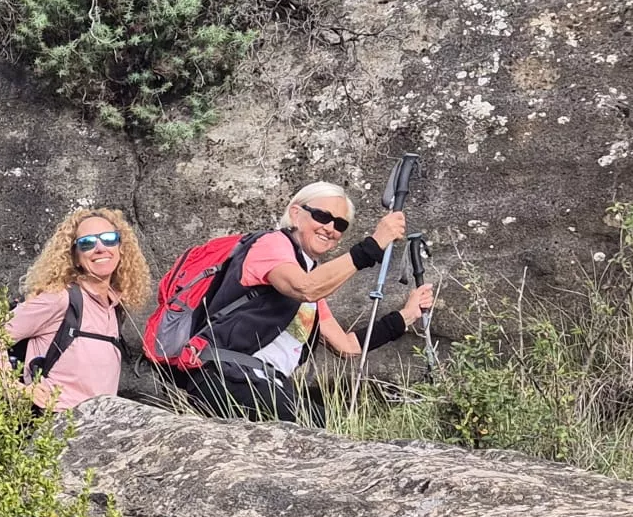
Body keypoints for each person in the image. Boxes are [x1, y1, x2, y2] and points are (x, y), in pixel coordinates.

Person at [169, 182, 435, 424]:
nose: (330, 228)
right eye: (322, 216)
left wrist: (406, 315)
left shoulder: (310, 275)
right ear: (296, 213)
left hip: (262, 383)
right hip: (224, 376)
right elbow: (305, 288)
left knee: (334, 424)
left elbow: (347, 347)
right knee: (326, 427)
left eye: (340, 225)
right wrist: (373, 245)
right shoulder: (272, 245)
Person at [0, 205, 152, 411]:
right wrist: (14, 386)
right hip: (54, 428)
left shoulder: (114, 307)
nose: (100, 247)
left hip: (97, 426)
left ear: (121, 247)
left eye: (109, 238)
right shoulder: (60, 298)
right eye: (87, 243)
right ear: (74, 257)